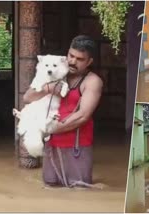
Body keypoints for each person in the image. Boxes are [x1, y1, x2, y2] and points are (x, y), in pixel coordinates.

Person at [23, 35, 103, 187]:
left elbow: (83, 116)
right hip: (52, 145)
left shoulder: (92, 81)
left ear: (89, 62)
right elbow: (27, 97)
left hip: (77, 146)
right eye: (71, 55)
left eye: (79, 59)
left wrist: (52, 128)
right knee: (50, 187)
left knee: (80, 189)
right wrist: (49, 88)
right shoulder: (53, 71)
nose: (72, 61)